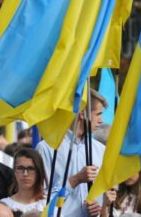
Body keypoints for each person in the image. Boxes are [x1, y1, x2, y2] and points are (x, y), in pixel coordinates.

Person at [36, 89, 107, 217]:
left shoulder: (101, 150)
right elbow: (41, 196)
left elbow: (105, 194)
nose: (101, 120)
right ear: (82, 113)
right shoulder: (47, 148)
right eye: (98, 114)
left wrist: (98, 206)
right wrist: (75, 179)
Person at [1, 148, 47, 214]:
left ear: (39, 172)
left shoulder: (48, 205)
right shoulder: (3, 205)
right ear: (14, 172)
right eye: (20, 168)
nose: (25, 174)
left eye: (31, 168)